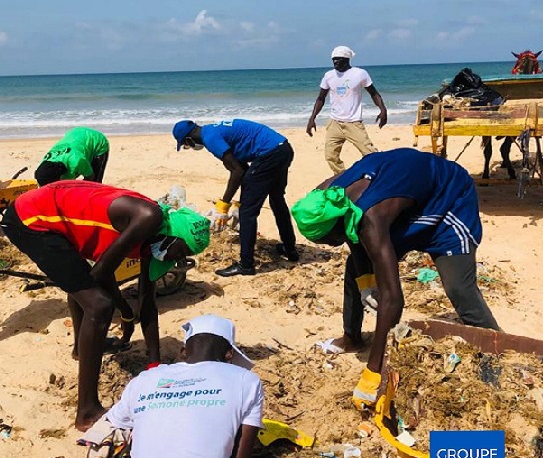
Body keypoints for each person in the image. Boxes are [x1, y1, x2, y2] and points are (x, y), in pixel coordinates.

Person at [291, 148, 501, 411]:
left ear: (335, 225)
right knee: (354, 269)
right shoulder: (327, 194)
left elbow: (394, 300)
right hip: (406, 204)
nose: (336, 245)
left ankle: (499, 352)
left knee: (459, 287)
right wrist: (366, 283)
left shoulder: (371, 218)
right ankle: (351, 337)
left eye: (331, 241)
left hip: (447, 201)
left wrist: (373, 370)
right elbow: (351, 233)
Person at [0, 180, 210, 430]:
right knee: (98, 305)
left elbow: (147, 300)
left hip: (58, 223)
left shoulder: (152, 238)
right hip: (31, 220)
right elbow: (100, 274)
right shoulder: (148, 217)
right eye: (180, 251)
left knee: (82, 287)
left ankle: (81, 348)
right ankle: (87, 411)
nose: (177, 259)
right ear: (174, 235)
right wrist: (123, 311)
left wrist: (154, 365)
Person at [98, 314, 264, 458]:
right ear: (229, 354)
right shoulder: (246, 381)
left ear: (183, 353)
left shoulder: (145, 380)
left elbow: (109, 427)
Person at [173, 119, 298, 277]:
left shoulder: (210, 139)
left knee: (248, 213)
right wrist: (239, 202)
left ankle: (246, 265)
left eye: (186, 145)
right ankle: (290, 249)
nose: (189, 147)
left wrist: (223, 205)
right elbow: (244, 170)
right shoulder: (212, 130)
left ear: (189, 139)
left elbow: (237, 171)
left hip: (269, 155)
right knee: (277, 200)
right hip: (283, 148)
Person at [306, 46, 387, 174]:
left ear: (347, 59)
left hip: (353, 123)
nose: (335, 62)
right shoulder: (329, 76)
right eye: (333, 59)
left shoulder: (359, 74)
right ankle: (341, 176)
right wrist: (312, 118)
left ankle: (382, 174)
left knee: (370, 154)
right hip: (334, 123)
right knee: (330, 156)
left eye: (338, 59)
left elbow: (373, 93)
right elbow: (321, 98)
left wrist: (383, 109)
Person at [34, 127, 110, 186]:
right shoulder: (44, 166)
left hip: (96, 140)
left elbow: (90, 176)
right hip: (74, 134)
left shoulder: (76, 161)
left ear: (59, 178)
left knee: (94, 184)